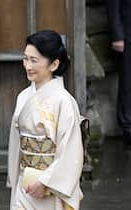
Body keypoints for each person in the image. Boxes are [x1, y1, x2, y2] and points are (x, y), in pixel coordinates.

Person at [7, 30, 84, 210]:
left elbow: (71, 152)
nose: (27, 66)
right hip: (25, 181)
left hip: (50, 186)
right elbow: (15, 143)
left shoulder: (64, 101)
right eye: (26, 59)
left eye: (34, 60)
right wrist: (16, 176)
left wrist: (45, 183)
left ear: (54, 64)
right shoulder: (23, 96)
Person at [105, 0, 131, 145]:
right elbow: (112, 8)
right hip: (129, 36)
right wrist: (117, 35)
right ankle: (128, 127)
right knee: (127, 85)